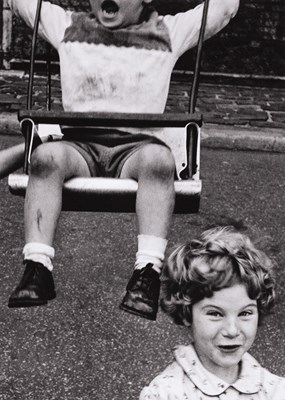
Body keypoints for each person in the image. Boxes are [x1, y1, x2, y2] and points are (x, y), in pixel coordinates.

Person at [7, 0, 239, 319]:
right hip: (81, 147)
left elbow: (223, 9)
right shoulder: (66, 26)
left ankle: (146, 274)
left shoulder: (167, 32)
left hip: (136, 149)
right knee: (45, 157)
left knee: (160, 159)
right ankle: (37, 268)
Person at [140, 227, 285, 399]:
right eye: (216, 314)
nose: (232, 330)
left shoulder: (275, 390)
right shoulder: (166, 393)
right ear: (187, 313)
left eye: (245, 313)